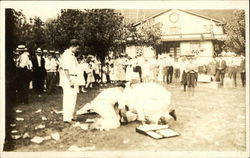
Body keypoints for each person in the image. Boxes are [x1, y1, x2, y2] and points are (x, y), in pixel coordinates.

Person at [60, 39, 80, 123]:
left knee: (73, 98)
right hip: (69, 78)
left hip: (73, 77)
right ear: (73, 46)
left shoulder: (72, 55)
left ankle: (70, 116)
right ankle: (67, 118)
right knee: (68, 98)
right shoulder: (66, 55)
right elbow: (66, 69)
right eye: (76, 48)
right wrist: (70, 80)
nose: (77, 50)